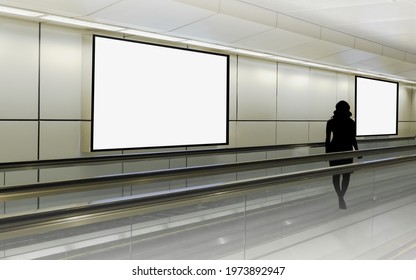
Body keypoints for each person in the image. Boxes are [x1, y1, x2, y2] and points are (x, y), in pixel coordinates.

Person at [325, 100, 358, 209]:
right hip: (347, 150)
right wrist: (357, 151)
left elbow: (327, 139)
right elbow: (353, 139)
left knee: (336, 175)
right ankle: (341, 198)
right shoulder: (351, 122)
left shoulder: (331, 122)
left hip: (334, 150)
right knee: (346, 175)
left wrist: (326, 153)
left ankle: (340, 198)